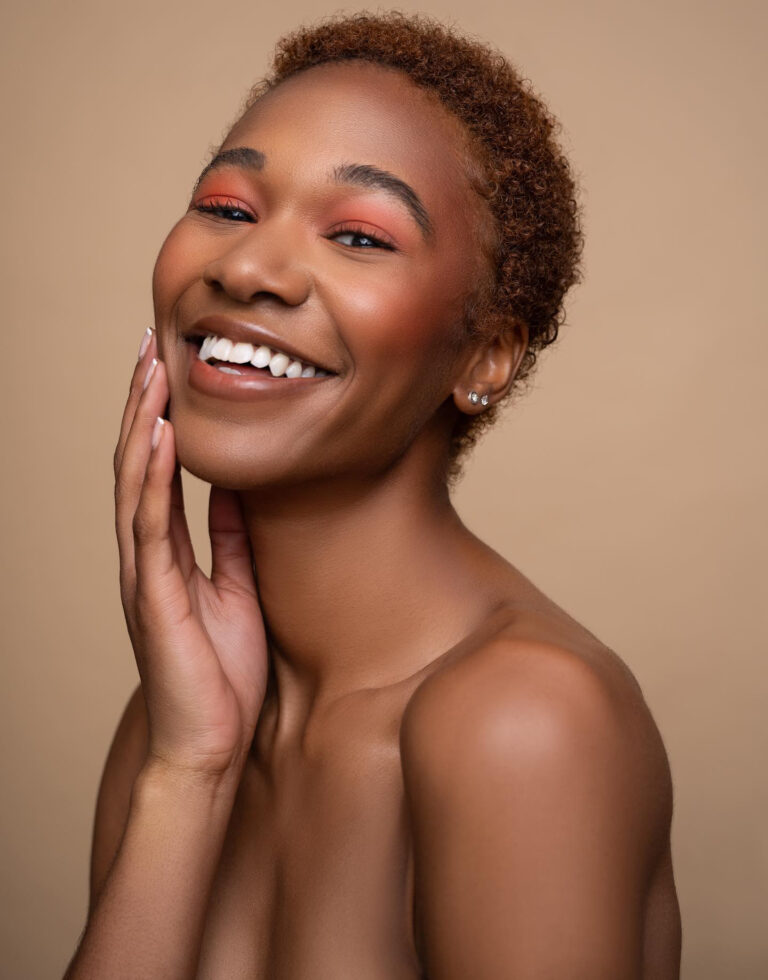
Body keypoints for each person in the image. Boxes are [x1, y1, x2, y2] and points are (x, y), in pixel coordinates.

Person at [64, 11, 681, 979]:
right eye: (227, 207)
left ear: (486, 355)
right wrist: (191, 772)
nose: (246, 268)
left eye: (358, 234)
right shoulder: (179, 713)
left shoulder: (525, 720)